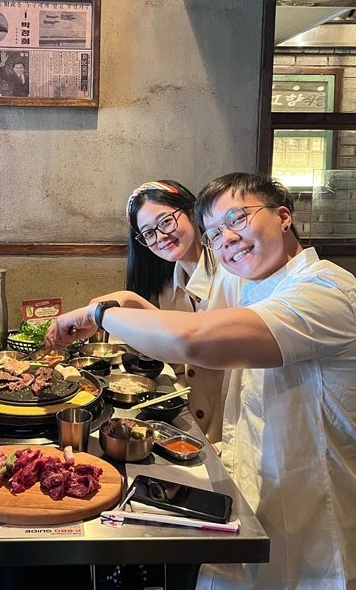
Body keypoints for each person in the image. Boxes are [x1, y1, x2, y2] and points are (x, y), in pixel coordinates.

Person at [46, 173, 356, 589]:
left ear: (283, 216)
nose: (226, 238)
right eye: (215, 232)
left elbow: (193, 339)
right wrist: (119, 303)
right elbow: (192, 325)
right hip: (261, 489)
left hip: (316, 512)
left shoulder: (325, 291)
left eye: (238, 219)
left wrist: (95, 314)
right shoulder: (254, 287)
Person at [83, 180, 234, 442]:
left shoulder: (231, 275)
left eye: (166, 222)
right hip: (192, 428)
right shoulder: (168, 287)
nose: (160, 237)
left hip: (230, 433)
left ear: (191, 211)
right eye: (149, 233)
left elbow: (195, 340)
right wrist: (128, 299)